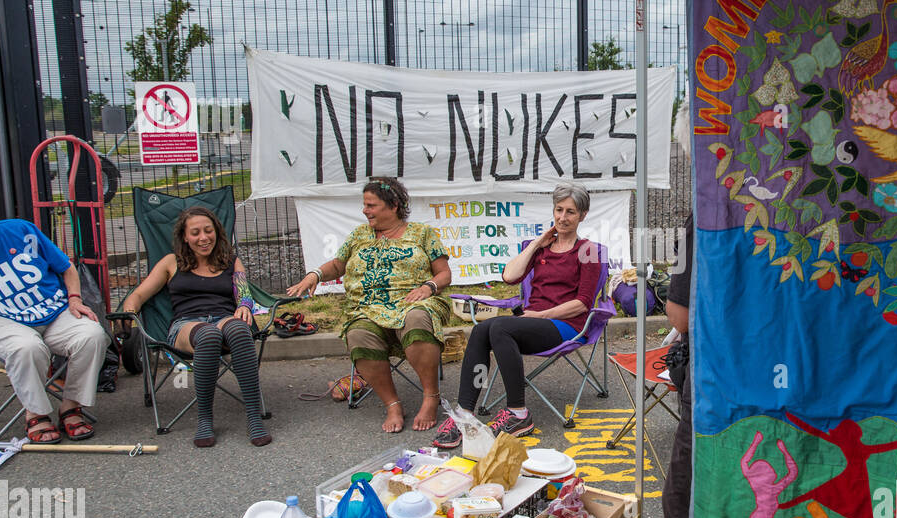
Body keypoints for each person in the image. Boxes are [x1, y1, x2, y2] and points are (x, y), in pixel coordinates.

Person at [642, 213, 792, 518]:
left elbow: (680, 316)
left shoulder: (716, 200)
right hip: (795, 372)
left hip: (723, 380)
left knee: (692, 510)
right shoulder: (818, 189)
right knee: (774, 510)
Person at [433, 182, 602, 448]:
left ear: (582, 215)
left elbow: (583, 303)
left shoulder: (588, 250)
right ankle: (465, 412)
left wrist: (540, 316)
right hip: (532, 323)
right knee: (480, 330)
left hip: (566, 326)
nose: (563, 217)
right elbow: (509, 276)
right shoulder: (542, 249)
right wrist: (536, 244)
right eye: (559, 209)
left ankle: (518, 412)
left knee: (500, 328)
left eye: (571, 212)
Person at [287, 177, 452, 434]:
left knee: (418, 319)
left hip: (414, 301)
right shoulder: (359, 235)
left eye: (371, 205)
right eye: (365, 205)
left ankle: (430, 397)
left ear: (394, 205)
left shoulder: (422, 234)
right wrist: (315, 275)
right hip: (367, 308)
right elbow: (338, 265)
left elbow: (444, 274)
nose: (365, 210)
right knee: (358, 333)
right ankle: (393, 404)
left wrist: (427, 288)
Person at [120, 206, 270, 448]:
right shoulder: (171, 262)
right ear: (185, 237)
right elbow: (138, 295)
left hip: (223, 318)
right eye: (195, 233)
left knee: (240, 329)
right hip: (186, 325)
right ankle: (205, 419)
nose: (203, 238)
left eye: (208, 231)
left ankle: (254, 417)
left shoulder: (231, 261)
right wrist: (128, 313)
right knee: (208, 334)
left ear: (217, 233)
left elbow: (244, 293)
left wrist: (244, 305)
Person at [0, 209, 108, 443]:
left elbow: (66, 267)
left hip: (53, 309)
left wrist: (75, 298)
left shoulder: (20, 230)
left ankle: (71, 406)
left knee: (92, 335)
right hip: (1, 319)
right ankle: (36, 413)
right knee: (26, 347)